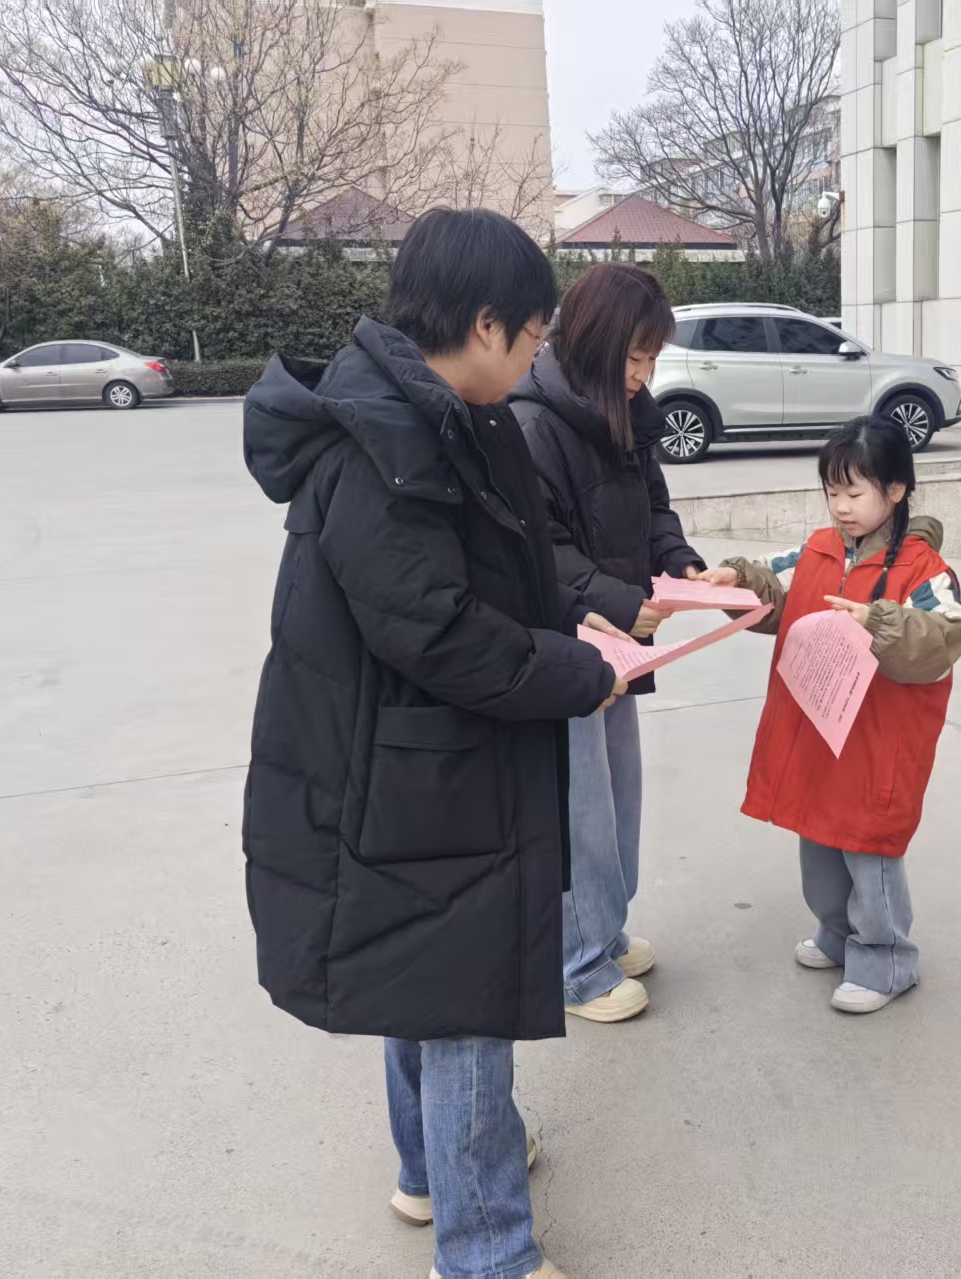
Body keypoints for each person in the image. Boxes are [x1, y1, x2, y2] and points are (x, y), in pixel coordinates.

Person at [241, 208, 630, 1279]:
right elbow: (438, 630)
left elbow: (503, 573)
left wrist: (579, 621)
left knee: (424, 985)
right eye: (536, 335)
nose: (540, 356)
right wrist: (575, 673)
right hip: (414, 777)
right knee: (462, 1002)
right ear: (487, 323)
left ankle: (434, 1169)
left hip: (432, 768)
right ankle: (487, 1250)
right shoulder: (383, 441)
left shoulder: (453, 413)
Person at [699, 417, 961, 1014]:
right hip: (820, 733)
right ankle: (838, 933)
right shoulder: (818, 550)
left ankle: (886, 960)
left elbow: (945, 637)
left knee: (868, 847)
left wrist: (878, 622)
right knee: (819, 840)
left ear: (895, 490)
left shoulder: (924, 570)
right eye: (831, 491)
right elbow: (771, 584)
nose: (841, 506)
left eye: (854, 492)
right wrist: (736, 579)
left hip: (877, 740)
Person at [508, 263, 706, 1023]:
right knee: (578, 805)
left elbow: (654, 506)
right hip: (570, 644)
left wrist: (683, 564)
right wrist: (622, 603)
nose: (643, 373)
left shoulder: (624, 412)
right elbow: (542, 553)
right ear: (592, 342)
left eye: (652, 358)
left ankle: (605, 928)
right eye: (634, 356)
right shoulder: (534, 425)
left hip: (621, 644)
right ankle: (575, 962)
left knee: (619, 793)